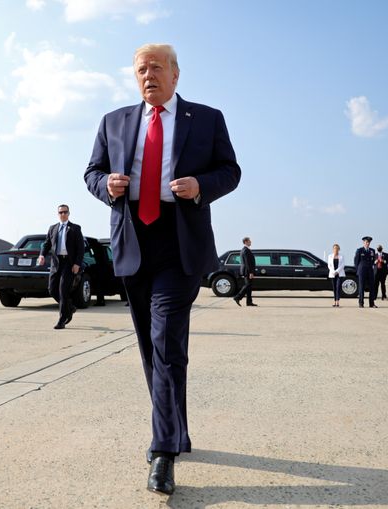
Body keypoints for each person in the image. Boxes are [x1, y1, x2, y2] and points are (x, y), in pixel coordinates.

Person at [83, 43, 241, 495]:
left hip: (179, 240)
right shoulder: (113, 121)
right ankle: (178, 429)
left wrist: (199, 187)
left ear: (175, 74)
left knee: (165, 339)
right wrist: (107, 185)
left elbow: (231, 171)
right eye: (140, 70)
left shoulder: (207, 118)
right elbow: (91, 172)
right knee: (153, 351)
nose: (147, 75)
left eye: (156, 68)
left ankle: (163, 450)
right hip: (133, 243)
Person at [37, 204, 84, 330]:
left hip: (68, 264)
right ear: (58, 214)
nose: (63, 214)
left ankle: (62, 319)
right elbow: (46, 244)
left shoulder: (75, 228)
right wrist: (42, 255)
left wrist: (77, 264)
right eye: (60, 212)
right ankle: (70, 307)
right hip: (56, 263)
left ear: (69, 214)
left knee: (63, 291)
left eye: (65, 212)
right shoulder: (53, 228)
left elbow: (81, 248)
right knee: (52, 290)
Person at [354, 236, 377, 308]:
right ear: (363, 242)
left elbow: (373, 261)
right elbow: (356, 261)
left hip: (370, 270)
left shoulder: (372, 251)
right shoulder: (359, 250)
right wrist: (358, 270)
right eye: (366, 242)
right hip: (362, 271)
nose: (367, 243)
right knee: (361, 287)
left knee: (372, 287)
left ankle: (372, 303)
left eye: (368, 242)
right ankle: (361, 303)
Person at [233, 237, 257, 307]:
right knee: (248, 285)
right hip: (247, 271)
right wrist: (251, 272)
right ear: (246, 242)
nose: (251, 242)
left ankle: (249, 302)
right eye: (249, 241)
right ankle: (237, 297)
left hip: (247, 270)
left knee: (249, 286)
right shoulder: (246, 250)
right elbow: (247, 263)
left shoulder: (245, 250)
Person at [328, 243, 345, 307]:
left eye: (337, 248)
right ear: (333, 249)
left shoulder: (341, 256)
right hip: (332, 274)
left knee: (338, 287)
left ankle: (338, 301)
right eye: (334, 248)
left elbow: (342, 265)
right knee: (334, 288)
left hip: (339, 274)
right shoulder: (330, 256)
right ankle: (335, 301)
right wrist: (333, 271)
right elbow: (329, 265)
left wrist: (337, 271)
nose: (336, 249)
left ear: (339, 249)